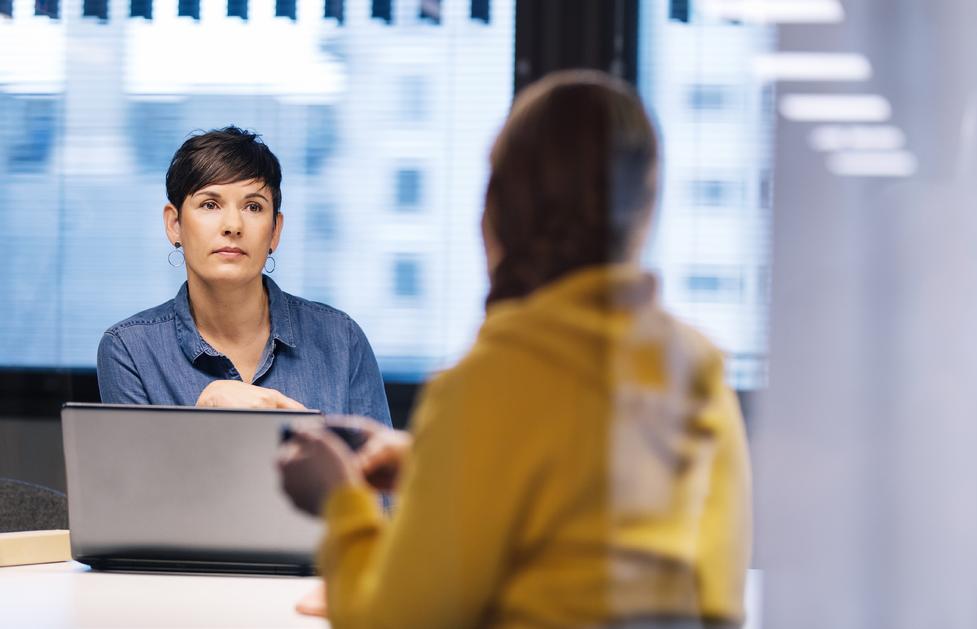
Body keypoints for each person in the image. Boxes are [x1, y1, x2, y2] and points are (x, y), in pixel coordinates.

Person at [278, 71, 751, 628]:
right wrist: (433, 466)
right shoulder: (697, 371)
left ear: (496, 210)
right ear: (644, 212)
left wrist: (342, 502)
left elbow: (394, 621)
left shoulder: (491, 384)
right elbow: (708, 600)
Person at [97, 126, 391, 424]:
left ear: (275, 231)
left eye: (253, 206)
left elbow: (379, 470)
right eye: (210, 204)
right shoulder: (129, 348)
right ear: (174, 225)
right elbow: (134, 472)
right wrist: (202, 412)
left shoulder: (342, 339)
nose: (233, 225)